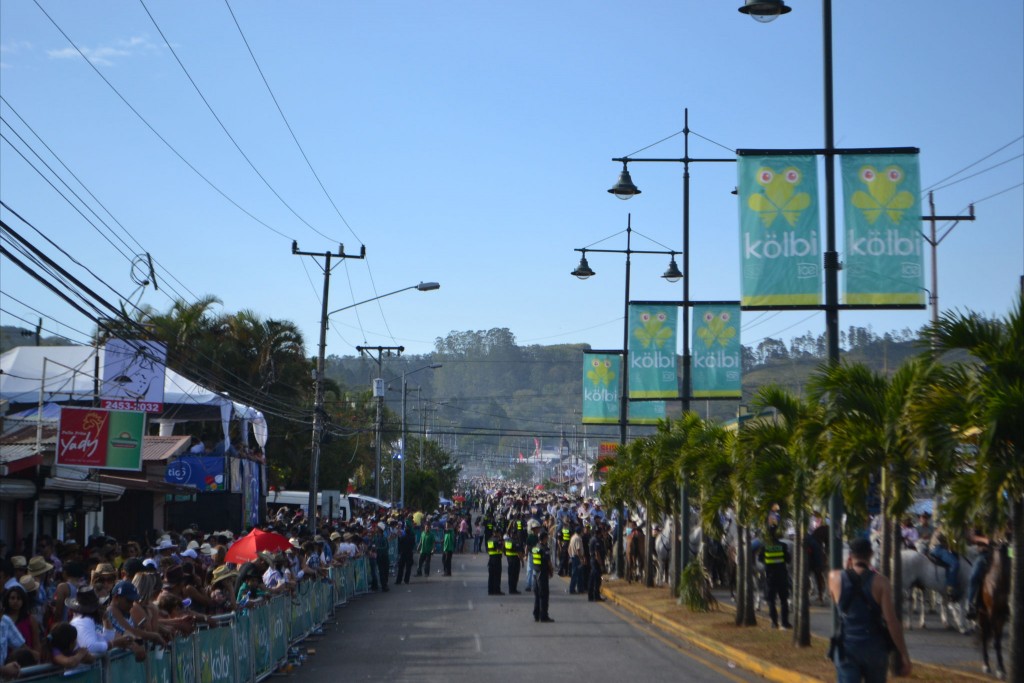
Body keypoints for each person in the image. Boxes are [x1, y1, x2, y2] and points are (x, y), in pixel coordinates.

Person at [829, 537, 911, 681]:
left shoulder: (834, 578)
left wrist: (848, 569)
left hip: (847, 645)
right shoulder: (881, 582)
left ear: (850, 555)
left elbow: (836, 603)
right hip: (874, 646)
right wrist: (904, 654)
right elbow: (891, 621)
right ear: (871, 555)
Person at [758, 526, 792, 629]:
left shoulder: (765, 546)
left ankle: (774, 622)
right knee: (783, 600)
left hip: (770, 577)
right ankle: (785, 622)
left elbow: (760, 559)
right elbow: (788, 559)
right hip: (782, 575)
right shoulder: (783, 546)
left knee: (771, 600)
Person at [928, 525, 960, 599]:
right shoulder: (944, 526)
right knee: (954, 563)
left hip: (941, 548)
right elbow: (939, 537)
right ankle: (950, 587)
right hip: (937, 548)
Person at [532, 530, 554, 622]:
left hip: (536, 573)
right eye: (547, 538)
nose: (547, 539)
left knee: (537, 596)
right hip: (542, 574)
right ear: (544, 538)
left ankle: (536, 615)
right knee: (544, 596)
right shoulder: (545, 549)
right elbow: (548, 562)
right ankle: (543, 616)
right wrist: (551, 571)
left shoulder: (535, 548)